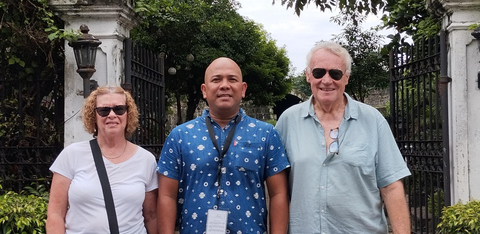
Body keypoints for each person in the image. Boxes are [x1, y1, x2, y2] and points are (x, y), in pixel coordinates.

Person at [275, 41, 411, 234]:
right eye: (319, 72)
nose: (327, 80)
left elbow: (391, 187)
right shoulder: (288, 121)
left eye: (335, 73)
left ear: (346, 78)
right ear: (308, 75)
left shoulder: (373, 120)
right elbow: (276, 188)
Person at [157, 57, 290, 234]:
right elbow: (167, 196)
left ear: (243, 89)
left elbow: (278, 194)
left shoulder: (265, 134)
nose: (225, 85)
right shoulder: (180, 136)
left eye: (232, 79)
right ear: (204, 90)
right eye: (216, 79)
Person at [46, 85, 158, 234]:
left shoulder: (146, 160)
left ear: (128, 113)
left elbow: (151, 216)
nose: (112, 115)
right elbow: (55, 214)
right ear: (94, 115)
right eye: (104, 110)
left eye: (119, 109)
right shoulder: (72, 154)